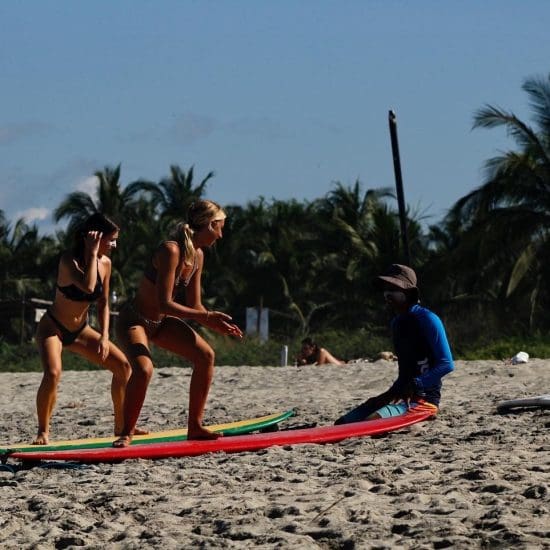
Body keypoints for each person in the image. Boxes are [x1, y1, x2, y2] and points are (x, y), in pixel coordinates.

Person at [113, 200, 243, 447]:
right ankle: (126, 432)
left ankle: (195, 426)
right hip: (134, 321)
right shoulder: (170, 250)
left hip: (161, 323)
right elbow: (164, 303)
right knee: (143, 370)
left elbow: (195, 306)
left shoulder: (198, 257)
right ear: (209, 225)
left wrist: (216, 323)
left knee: (206, 355)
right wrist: (205, 317)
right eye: (220, 228)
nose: (221, 235)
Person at [34, 213, 132, 444]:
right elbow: (89, 287)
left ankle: (121, 426)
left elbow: (103, 302)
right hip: (53, 328)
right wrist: (93, 253)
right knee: (53, 373)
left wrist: (105, 336)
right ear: (94, 238)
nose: (115, 245)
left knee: (123, 367)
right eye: (111, 240)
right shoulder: (69, 261)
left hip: (81, 330)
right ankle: (42, 431)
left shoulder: (106, 264)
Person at [335, 264, 454, 424]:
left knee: (370, 421)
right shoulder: (397, 324)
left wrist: (416, 384)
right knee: (343, 423)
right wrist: (388, 395)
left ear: (407, 292)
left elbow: (446, 364)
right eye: (385, 289)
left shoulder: (428, 319)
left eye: (393, 289)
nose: (387, 294)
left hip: (424, 401)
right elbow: (405, 372)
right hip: (403, 396)